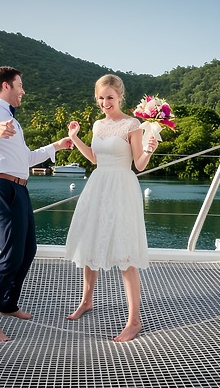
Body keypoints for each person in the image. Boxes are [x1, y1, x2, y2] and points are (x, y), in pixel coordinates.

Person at [0, 66, 73, 342]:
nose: (23, 91)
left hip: (20, 188)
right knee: (11, 255)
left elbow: (25, 158)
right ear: (6, 86)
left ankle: (8, 303)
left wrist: (57, 146)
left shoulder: (12, 121)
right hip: (2, 188)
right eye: (20, 86)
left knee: (28, 250)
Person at [65, 74, 158, 342]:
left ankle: (134, 321)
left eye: (110, 97)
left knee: (124, 251)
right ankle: (86, 301)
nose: (105, 102)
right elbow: (95, 158)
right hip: (98, 185)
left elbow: (139, 164)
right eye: (101, 98)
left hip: (122, 188)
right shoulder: (97, 125)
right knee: (90, 242)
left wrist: (150, 149)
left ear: (119, 97)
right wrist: (75, 137)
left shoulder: (132, 124)